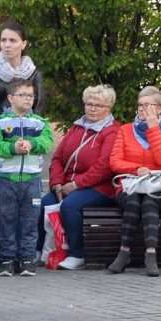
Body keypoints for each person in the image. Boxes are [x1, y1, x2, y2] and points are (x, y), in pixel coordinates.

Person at [0, 23, 46, 263]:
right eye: (3, 40)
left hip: (28, 143)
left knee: (28, 203)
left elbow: (38, 110)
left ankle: (25, 255)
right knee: (1, 201)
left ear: (23, 44)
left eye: (12, 40)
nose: (6, 45)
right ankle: (3, 256)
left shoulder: (34, 72)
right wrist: (6, 138)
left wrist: (27, 140)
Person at [38, 85, 121, 270]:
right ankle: (39, 251)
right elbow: (58, 158)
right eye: (89, 104)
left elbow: (105, 167)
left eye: (99, 105)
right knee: (43, 204)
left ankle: (77, 254)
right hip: (67, 185)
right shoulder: (76, 127)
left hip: (100, 187)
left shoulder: (112, 131)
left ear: (109, 108)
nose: (92, 108)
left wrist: (76, 185)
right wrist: (57, 183)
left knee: (70, 206)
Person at [107, 87, 161, 277]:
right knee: (132, 201)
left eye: (147, 105)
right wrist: (135, 169)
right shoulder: (124, 130)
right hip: (130, 184)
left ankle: (151, 255)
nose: (142, 109)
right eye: (140, 105)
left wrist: (153, 129)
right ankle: (124, 253)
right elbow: (114, 162)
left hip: (159, 187)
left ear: (160, 109)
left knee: (149, 201)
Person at [0, 78, 53, 277]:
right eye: (23, 95)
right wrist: (12, 147)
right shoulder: (0, 122)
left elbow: (47, 141)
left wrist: (32, 144)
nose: (28, 99)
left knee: (30, 220)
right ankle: (6, 259)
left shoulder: (40, 122)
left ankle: (26, 259)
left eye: (31, 95)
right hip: (7, 179)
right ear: (10, 98)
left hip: (31, 180)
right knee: (6, 219)